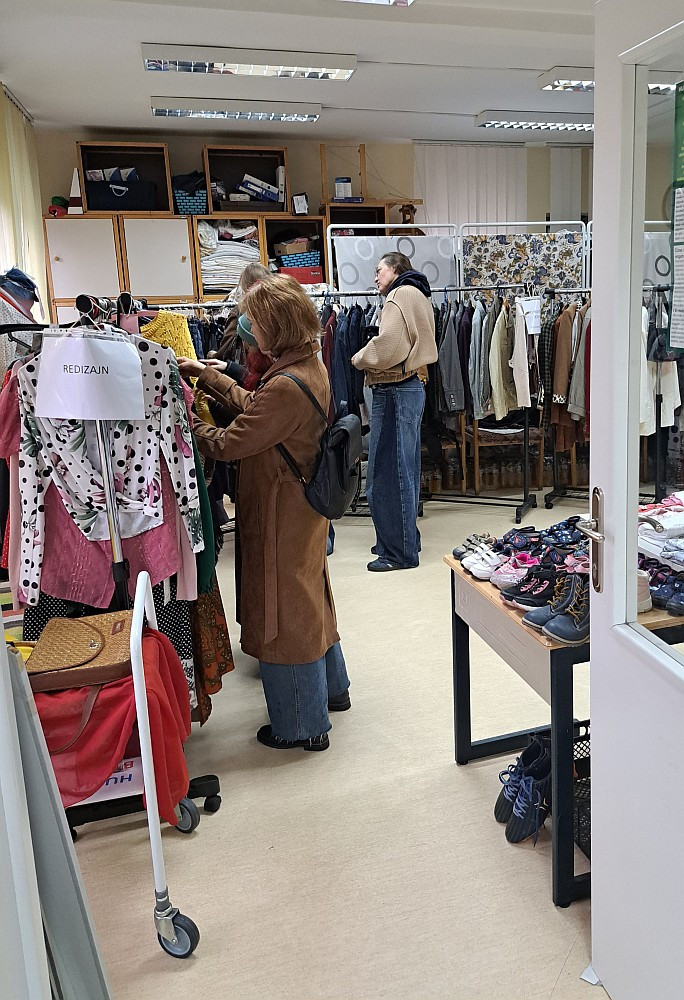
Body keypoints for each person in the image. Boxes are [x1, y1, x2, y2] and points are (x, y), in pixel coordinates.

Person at [177, 274, 350, 753]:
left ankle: (302, 725)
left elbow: (232, 442)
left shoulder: (287, 384)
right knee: (307, 594)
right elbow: (258, 407)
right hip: (300, 506)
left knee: (283, 610)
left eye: (254, 320)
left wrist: (184, 424)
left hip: (282, 510)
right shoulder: (307, 363)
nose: (247, 328)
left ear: (275, 325)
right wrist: (209, 376)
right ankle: (333, 690)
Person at [351, 252, 437, 572]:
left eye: (379, 270)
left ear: (396, 269)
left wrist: (359, 358)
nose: (375, 277)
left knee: (388, 473)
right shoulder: (418, 293)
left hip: (395, 389)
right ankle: (403, 539)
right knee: (404, 470)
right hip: (409, 386)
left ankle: (398, 553)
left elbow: (389, 346)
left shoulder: (399, 294)